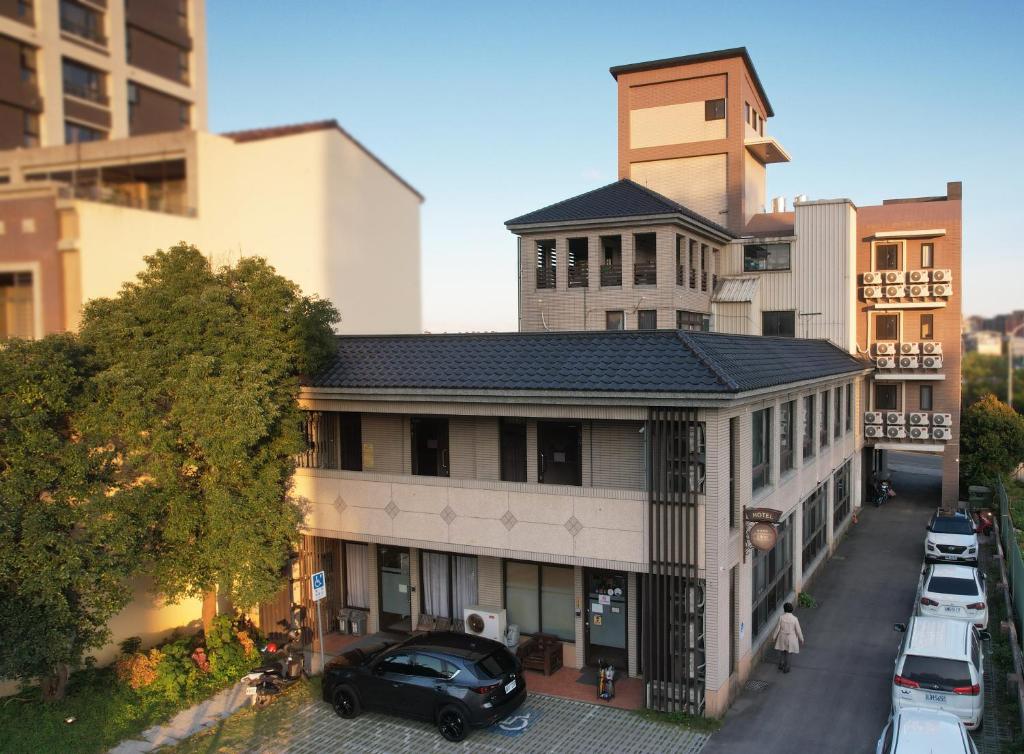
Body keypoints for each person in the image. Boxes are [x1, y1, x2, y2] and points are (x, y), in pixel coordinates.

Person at [772, 602, 804, 673]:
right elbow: (798, 630)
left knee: (782, 651)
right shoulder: (795, 619)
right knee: (789, 653)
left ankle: (781, 664)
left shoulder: (781, 617)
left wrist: (774, 637)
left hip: (782, 636)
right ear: (791, 609)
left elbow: (777, 628)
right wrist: (801, 639)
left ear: (784, 609)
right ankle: (787, 667)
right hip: (791, 637)